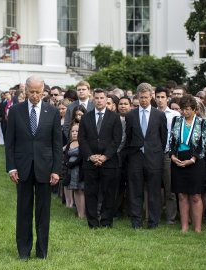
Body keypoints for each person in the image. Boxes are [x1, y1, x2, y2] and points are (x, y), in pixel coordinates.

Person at [5, 75, 62, 259]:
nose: (35, 95)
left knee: (43, 212)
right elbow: (10, 143)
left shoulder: (52, 112)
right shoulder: (15, 111)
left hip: (45, 168)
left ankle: (42, 251)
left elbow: (56, 144)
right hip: (22, 169)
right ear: (25, 91)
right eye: (32, 92)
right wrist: (11, 167)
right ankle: (23, 250)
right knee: (23, 211)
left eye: (39, 92)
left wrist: (56, 170)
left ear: (43, 90)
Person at [124, 82, 168, 229]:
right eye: (141, 97)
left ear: (151, 97)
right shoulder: (130, 115)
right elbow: (128, 137)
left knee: (154, 192)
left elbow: (163, 138)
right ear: (137, 97)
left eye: (146, 97)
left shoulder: (160, 115)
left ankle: (153, 222)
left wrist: (155, 152)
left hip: (153, 158)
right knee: (135, 191)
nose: (143, 100)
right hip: (135, 157)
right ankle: (136, 222)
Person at [78, 89, 122, 229]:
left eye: (102, 98)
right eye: (96, 98)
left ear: (106, 99)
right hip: (90, 162)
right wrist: (90, 156)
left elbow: (117, 140)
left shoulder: (114, 118)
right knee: (91, 193)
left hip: (109, 162)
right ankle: (92, 223)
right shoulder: (86, 118)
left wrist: (105, 156)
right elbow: (82, 139)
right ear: (93, 99)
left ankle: (106, 222)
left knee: (109, 193)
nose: (99, 100)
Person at [169, 94, 206, 232]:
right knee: (181, 194)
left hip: (195, 161)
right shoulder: (176, 120)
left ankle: (197, 227)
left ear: (194, 109)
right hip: (178, 159)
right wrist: (172, 156)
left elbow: (203, 144)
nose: (184, 112)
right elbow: (172, 140)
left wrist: (192, 160)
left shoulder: (202, 123)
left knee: (196, 195)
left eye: (187, 109)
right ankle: (184, 226)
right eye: (182, 109)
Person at [154, 86, 181, 225]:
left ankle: (170, 217)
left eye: (162, 97)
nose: (160, 100)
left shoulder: (175, 115)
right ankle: (154, 215)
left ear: (168, 98)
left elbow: (177, 136)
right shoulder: (151, 113)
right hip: (153, 154)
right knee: (154, 187)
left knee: (170, 188)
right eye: (157, 97)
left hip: (168, 154)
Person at [63, 123, 85, 218]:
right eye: (73, 131)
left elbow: (81, 157)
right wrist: (67, 163)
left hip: (79, 170)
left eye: (77, 131)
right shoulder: (70, 144)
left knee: (81, 190)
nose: (75, 133)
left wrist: (72, 163)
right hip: (71, 171)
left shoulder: (83, 143)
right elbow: (66, 155)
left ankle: (83, 213)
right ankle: (78, 212)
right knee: (75, 190)